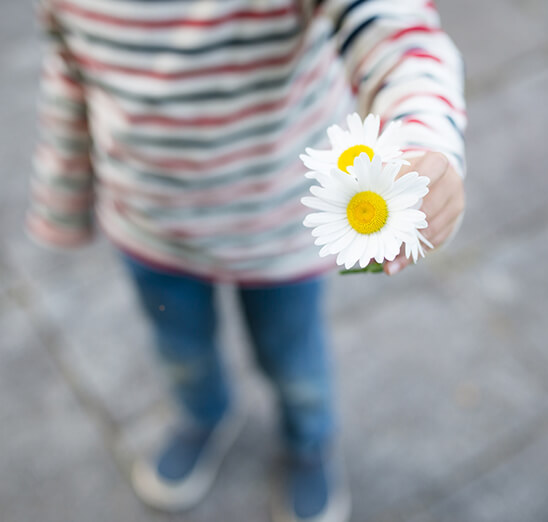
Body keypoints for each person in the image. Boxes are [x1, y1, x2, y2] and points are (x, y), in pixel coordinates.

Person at [25, 1, 466, 520]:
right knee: (179, 349)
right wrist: (63, 192)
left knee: (293, 360)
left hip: (278, 231)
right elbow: (70, 69)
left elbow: (393, 30)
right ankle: (203, 414)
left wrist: (423, 139)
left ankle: (309, 441)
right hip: (151, 227)